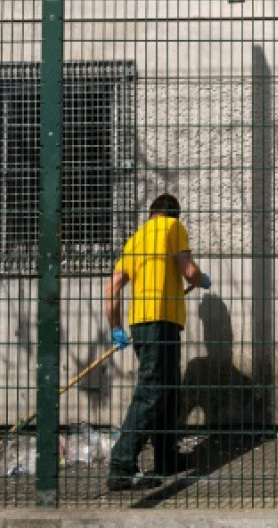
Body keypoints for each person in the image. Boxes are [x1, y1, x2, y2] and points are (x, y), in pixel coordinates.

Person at [104, 193, 211, 491]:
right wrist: (202, 281)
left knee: (167, 390)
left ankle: (166, 458)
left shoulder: (135, 239)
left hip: (141, 324)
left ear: (151, 213)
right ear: (173, 215)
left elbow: (111, 288)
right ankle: (121, 466)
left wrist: (116, 328)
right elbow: (188, 271)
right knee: (152, 392)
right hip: (161, 321)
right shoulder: (172, 228)